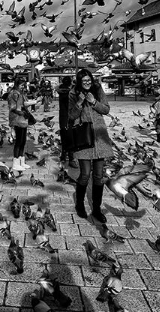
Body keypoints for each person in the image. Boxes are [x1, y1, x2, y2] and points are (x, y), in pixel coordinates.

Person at [68, 68, 114, 223]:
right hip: (83, 138)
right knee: (85, 174)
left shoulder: (98, 89)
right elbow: (72, 116)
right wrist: (80, 102)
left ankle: (96, 209)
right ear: (79, 81)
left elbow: (106, 109)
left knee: (99, 176)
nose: (87, 83)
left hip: (100, 137)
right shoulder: (73, 94)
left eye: (89, 80)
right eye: (84, 81)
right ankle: (80, 204)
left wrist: (93, 101)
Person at [8, 77, 39, 171]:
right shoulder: (13, 93)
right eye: (21, 85)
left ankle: (21, 161)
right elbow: (15, 106)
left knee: (23, 141)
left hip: (23, 119)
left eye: (24, 85)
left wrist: (34, 102)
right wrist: (33, 102)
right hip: (17, 119)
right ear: (17, 85)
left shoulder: (21, 93)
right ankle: (15, 163)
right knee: (18, 142)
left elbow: (24, 103)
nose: (23, 87)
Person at [57, 76, 78, 168]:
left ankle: (63, 156)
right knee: (71, 139)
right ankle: (71, 158)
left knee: (64, 138)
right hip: (70, 118)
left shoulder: (61, 92)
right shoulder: (70, 93)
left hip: (62, 118)